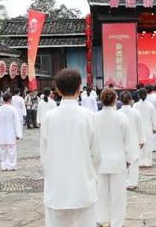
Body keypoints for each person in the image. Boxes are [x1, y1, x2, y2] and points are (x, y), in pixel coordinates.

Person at [40, 69, 99, 227]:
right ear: (80, 88)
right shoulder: (89, 117)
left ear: (57, 90)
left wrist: (50, 176)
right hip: (83, 185)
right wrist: (93, 176)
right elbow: (97, 155)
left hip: (56, 187)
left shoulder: (48, 118)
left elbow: (44, 155)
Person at [95, 88, 133, 227]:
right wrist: (129, 159)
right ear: (115, 100)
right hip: (118, 161)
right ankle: (117, 223)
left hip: (99, 162)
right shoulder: (121, 117)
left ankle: (101, 219)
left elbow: (91, 142)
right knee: (118, 196)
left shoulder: (94, 117)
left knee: (101, 193)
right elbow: (127, 141)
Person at [119, 91, 145, 189]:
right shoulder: (136, 112)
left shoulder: (118, 113)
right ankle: (133, 182)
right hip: (134, 140)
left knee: (123, 162)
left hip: (121, 141)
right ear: (131, 100)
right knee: (134, 162)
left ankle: (123, 181)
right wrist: (141, 140)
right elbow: (140, 128)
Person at [0, 93, 23, 171]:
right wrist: (18, 134)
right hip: (11, 132)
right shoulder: (13, 109)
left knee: (3, 150)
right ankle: (11, 165)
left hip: (2, 132)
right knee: (12, 150)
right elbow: (16, 122)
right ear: (10, 99)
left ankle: (4, 165)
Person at [133, 88, 156, 167]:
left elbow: (133, 118)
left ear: (138, 95)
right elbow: (154, 118)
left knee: (139, 145)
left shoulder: (135, 105)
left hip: (138, 128)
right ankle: (148, 162)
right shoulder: (150, 105)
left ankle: (140, 161)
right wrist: (155, 127)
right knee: (148, 146)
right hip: (148, 128)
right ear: (146, 95)